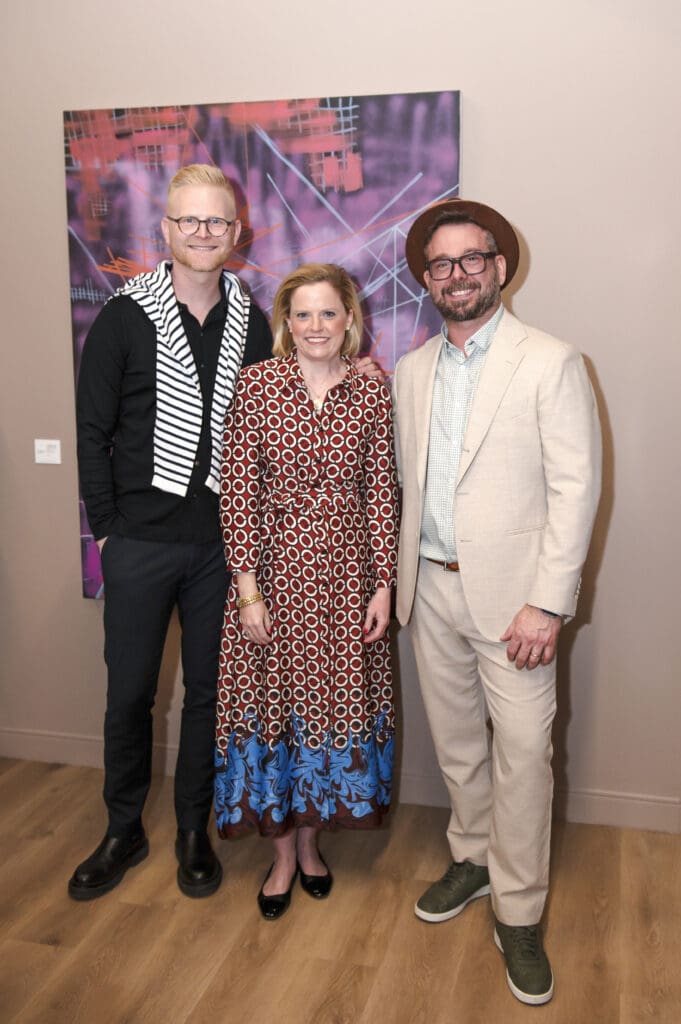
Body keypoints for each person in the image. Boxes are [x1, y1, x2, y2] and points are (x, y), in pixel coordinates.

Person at [392, 198, 601, 1004]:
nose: (456, 275)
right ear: (426, 279)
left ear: (499, 267)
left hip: (515, 606)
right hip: (430, 592)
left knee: (522, 758)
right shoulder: (411, 371)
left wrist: (546, 606)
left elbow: (574, 489)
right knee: (457, 750)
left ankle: (518, 913)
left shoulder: (549, 361)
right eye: (440, 265)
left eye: (470, 260)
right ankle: (473, 859)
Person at [70, 164, 273, 900]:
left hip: (221, 546)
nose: (202, 233)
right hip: (139, 544)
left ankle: (193, 829)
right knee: (129, 695)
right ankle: (123, 829)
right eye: (188, 221)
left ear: (235, 234)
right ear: (165, 230)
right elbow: (92, 434)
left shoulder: (253, 318)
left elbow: (257, 435)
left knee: (208, 697)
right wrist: (108, 536)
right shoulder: (125, 315)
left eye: (215, 222)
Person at [214, 263, 398, 920]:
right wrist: (247, 590)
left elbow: (381, 491)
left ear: (349, 319)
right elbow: (237, 491)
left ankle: (313, 846)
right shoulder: (256, 387)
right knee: (277, 713)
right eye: (302, 315)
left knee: (330, 708)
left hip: (347, 579)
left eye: (327, 313)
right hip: (273, 576)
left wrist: (383, 584)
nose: (315, 326)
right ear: (284, 325)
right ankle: (282, 855)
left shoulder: (374, 392)